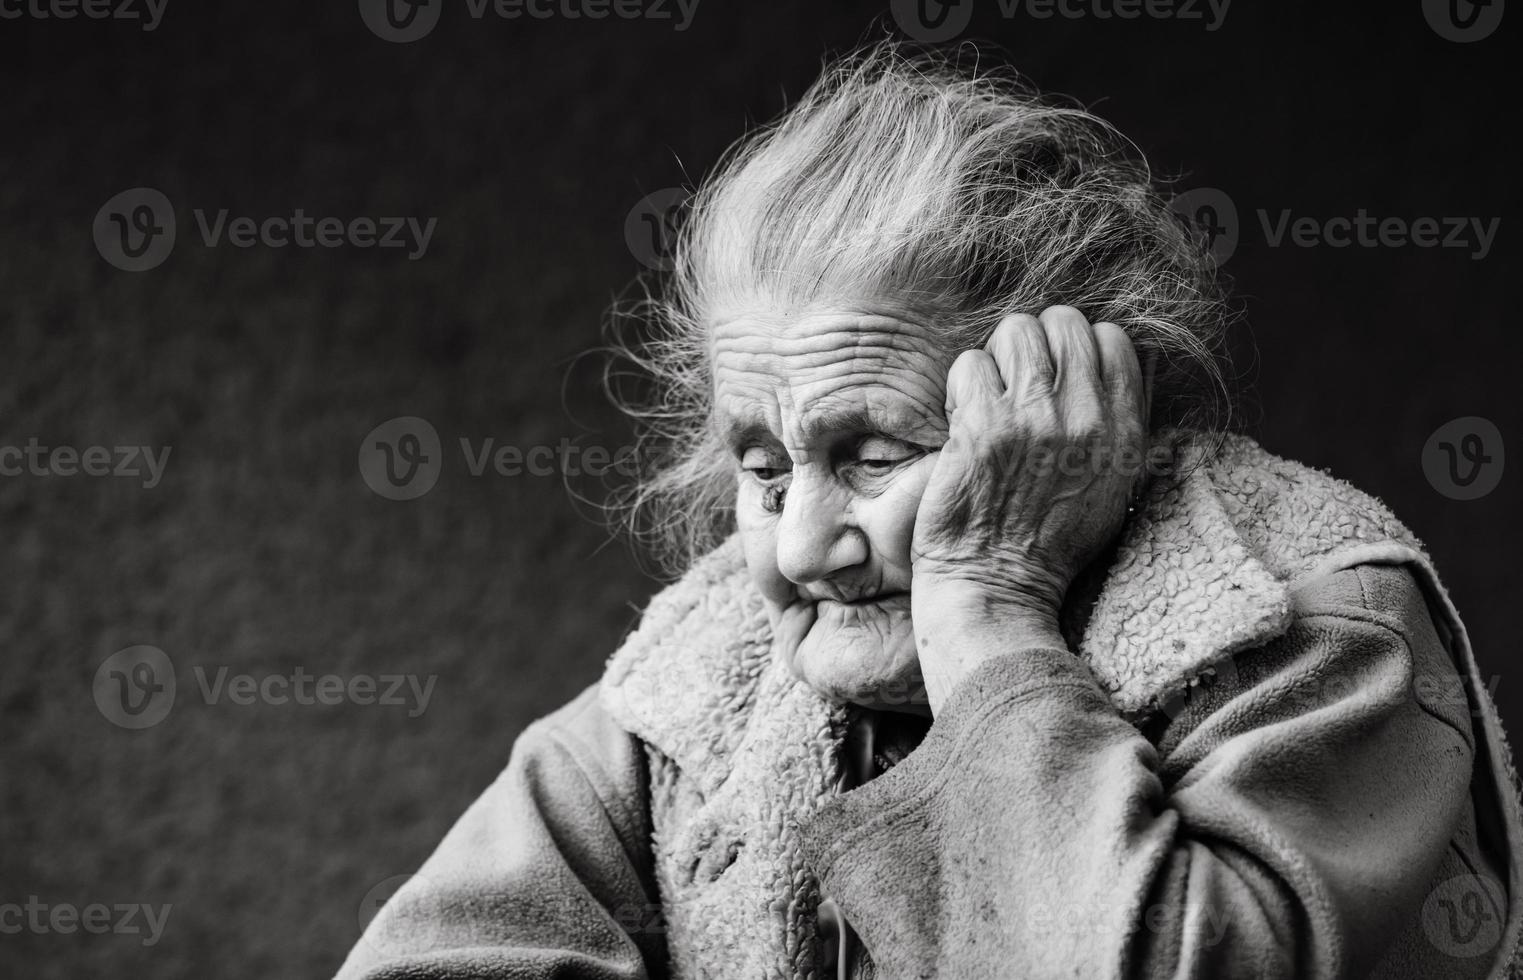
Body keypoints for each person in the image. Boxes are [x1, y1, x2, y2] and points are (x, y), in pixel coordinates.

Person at [336, 42, 1522, 979]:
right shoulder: (696, 681)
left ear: (1066, 416)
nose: (800, 542)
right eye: (760, 464)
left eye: (873, 452)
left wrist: (991, 613)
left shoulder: (1300, 618)